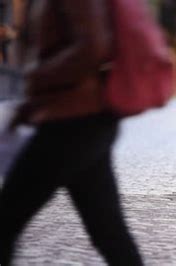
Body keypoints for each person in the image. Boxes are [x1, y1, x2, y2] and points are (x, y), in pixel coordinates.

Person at [0, 1, 144, 265]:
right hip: (81, 120)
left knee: (5, 219)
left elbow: (92, 46)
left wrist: (37, 80)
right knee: (108, 232)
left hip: (72, 123)